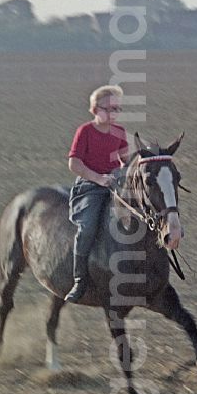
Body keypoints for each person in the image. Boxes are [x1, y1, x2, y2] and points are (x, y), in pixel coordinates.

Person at [65, 84, 129, 302]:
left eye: (117, 109)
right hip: (90, 186)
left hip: (114, 184)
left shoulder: (119, 132)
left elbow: (125, 160)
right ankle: (80, 280)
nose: (113, 114)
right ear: (94, 109)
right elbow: (74, 164)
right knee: (88, 227)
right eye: (109, 109)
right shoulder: (85, 132)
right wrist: (99, 178)